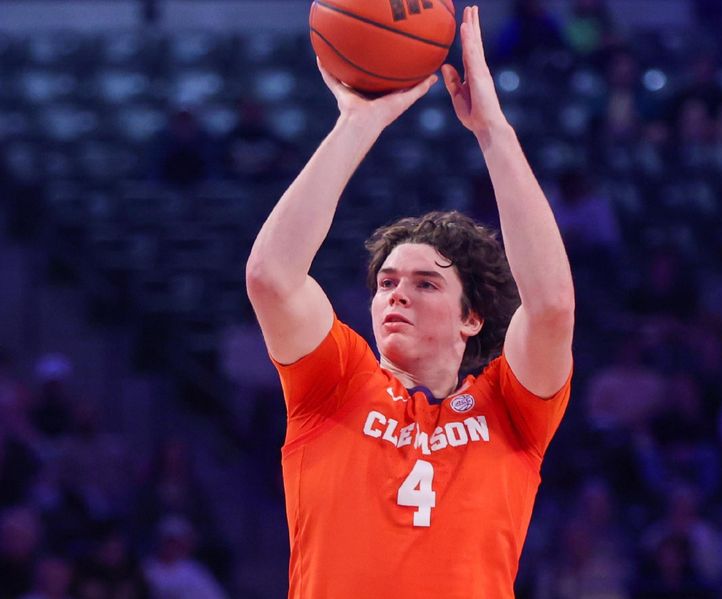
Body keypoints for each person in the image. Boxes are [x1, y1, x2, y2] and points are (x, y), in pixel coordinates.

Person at [246, 6, 574, 598]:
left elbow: (550, 307)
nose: (398, 294)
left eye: (426, 283)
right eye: (388, 282)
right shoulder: (337, 382)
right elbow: (272, 277)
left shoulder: (510, 410)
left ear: (471, 318)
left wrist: (493, 131)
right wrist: (357, 124)